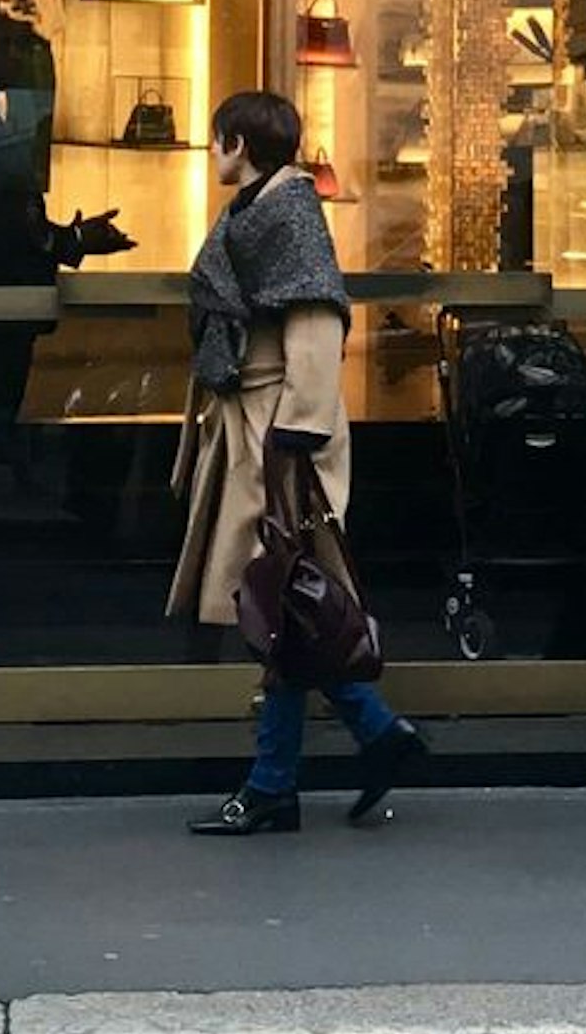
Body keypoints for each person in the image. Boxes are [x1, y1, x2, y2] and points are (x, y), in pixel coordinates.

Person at [170, 87, 429, 835]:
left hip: (279, 434)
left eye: (217, 138)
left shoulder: (287, 212)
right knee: (285, 603)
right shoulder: (263, 208)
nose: (212, 150)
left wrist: (297, 433)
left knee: (282, 602)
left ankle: (278, 783)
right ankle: (373, 735)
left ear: (239, 145)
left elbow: (316, 322)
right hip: (261, 425)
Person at [0, 7, 128, 494]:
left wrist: (69, 239)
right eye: (4, 45)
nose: (14, 58)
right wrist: (72, 241)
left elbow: (5, 216)